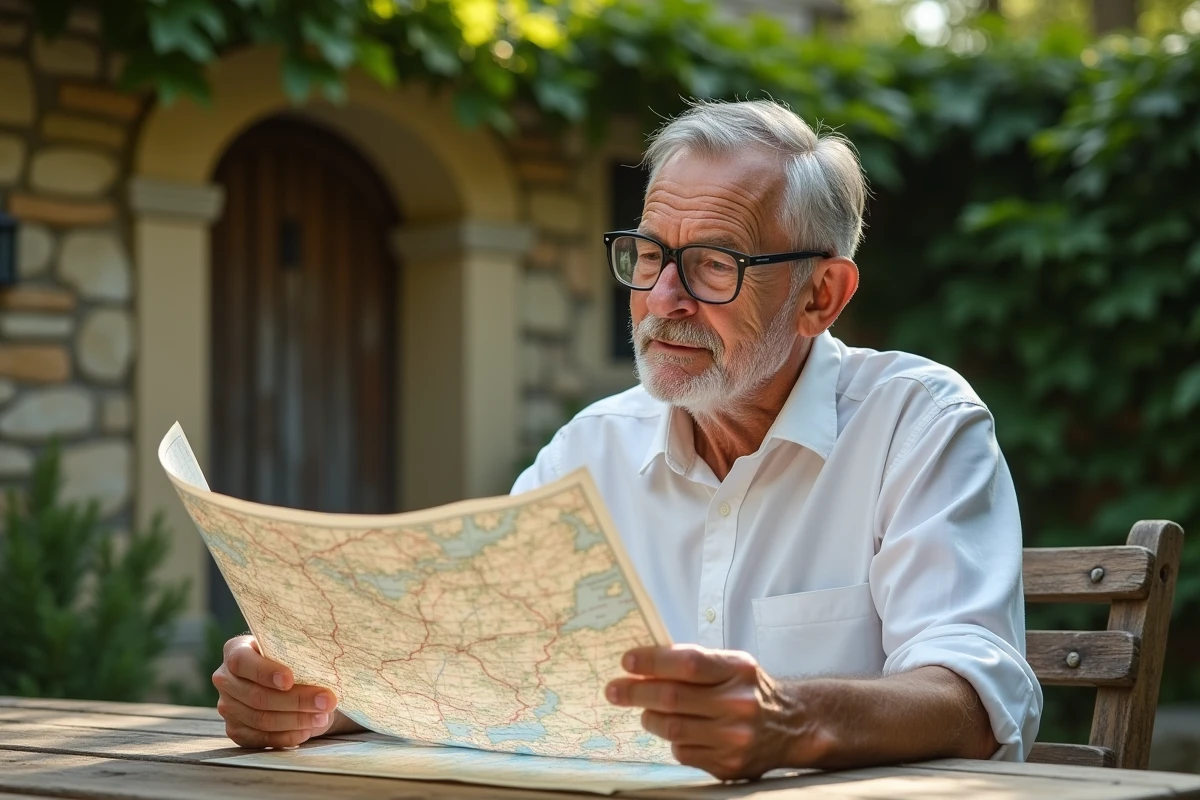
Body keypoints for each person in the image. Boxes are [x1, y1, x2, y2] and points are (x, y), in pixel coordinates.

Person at [212, 99, 1042, 779]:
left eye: (715, 264)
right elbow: (471, 655)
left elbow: (976, 698)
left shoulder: (917, 422)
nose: (663, 298)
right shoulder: (591, 449)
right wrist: (310, 694)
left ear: (821, 294)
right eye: (648, 255)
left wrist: (789, 719)